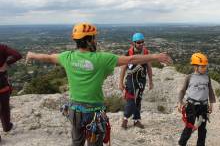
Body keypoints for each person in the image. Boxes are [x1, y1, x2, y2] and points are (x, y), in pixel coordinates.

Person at [26, 23, 172, 146]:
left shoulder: (67, 57)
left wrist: (32, 55)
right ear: (89, 41)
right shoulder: (102, 59)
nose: (96, 41)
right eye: (94, 38)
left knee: (76, 142)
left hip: (74, 110)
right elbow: (130, 59)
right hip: (94, 113)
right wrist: (155, 56)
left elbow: (49, 58)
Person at [178, 53, 216, 146]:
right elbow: (183, 90)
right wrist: (180, 102)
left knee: (202, 129)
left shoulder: (207, 77)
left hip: (203, 106)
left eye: (205, 66)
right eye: (202, 66)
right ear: (195, 67)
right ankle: (182, 143)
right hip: (191, 106)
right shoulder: (189, 77)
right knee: (189, 127)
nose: (204, 68)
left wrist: (211, 104)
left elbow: (210, 90)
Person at [118, 33, 153, 129]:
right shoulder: (129, 53)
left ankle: (136, 120)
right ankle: (125, 119)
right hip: (131, 80)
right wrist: (120, 82)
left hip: (141, 80)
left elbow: (149, 67)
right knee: (130, 100)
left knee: (138, 100)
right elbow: (123, 68)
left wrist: (150, 81)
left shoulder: (146, 53)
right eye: (139, 42)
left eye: (142, 42)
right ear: (134, 43)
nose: (141, 44)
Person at [0, 44, 22, 142]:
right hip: (2, 84)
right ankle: (7, 127)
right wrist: (6, 63)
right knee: (5, 108)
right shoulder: (2, 47)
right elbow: (17, 55)